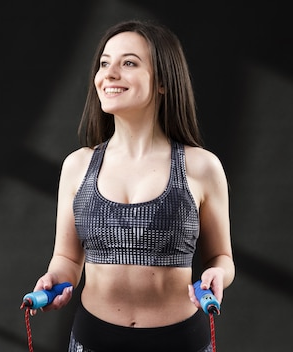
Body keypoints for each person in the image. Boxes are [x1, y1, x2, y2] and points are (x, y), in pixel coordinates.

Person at [27, 19, 235, 352]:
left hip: (182, 343)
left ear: (164, 82)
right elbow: (67, 258)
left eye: (128, 63)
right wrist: (55, 279)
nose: (109, 74)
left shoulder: (201, 166)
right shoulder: (77, 165)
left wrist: (218, 276)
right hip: (92, 341)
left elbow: (221, 256)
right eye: (104, 63)